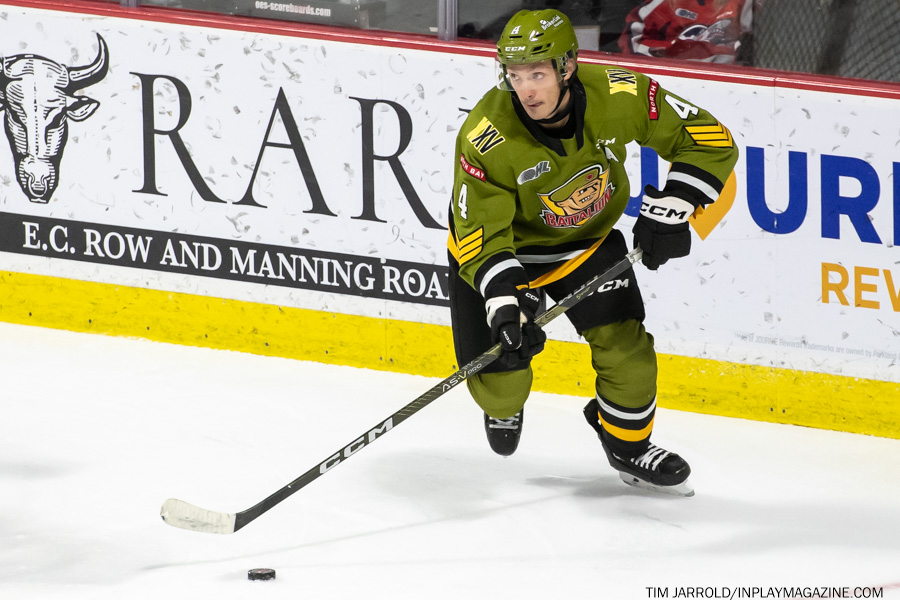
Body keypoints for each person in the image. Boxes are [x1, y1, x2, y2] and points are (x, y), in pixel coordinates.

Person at [448, 8, 738, 496]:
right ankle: (504, 404)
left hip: (587, 244)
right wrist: (503, 305)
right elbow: (480, 235)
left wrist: (676, 204)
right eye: (515, 76)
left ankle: (627, 445)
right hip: (507, 255)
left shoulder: (620, 94)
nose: (526, 91)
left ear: (567, 66)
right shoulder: (485, 135)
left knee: (629, 354)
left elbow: (709, 140)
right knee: (502, 389)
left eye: (537, 75)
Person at [619, 0, 755, 64]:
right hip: (659, 74)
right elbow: (632, 33)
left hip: (717, 82)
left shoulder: (742, 4)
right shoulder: (665, 3)